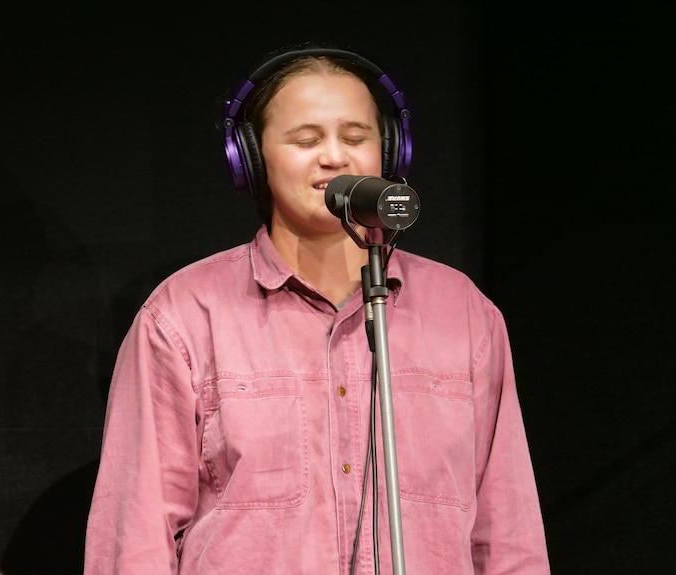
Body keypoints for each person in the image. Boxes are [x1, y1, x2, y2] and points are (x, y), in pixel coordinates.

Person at [84, 42, 550, 574]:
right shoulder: (185, 316)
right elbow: (134, 538)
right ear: (252, 160)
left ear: (390, 153)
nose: (335, 156)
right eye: (306, 140)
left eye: (356, 137)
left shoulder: (465, 313)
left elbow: (509, 531)